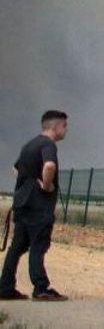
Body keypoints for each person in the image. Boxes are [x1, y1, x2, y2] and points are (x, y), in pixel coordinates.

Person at [0, 110, 69, 302]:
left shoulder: (29, 145)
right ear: (55, 126)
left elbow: (16, 168)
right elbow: (49, 166)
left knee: (17, 246)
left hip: (22, 203)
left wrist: (27, 182)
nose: (66, 130)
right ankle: (41, 288)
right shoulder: (48, 145)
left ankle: (5, 286)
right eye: (64, 126)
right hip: (38, 206)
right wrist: (46, 185)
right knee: (38, 245)